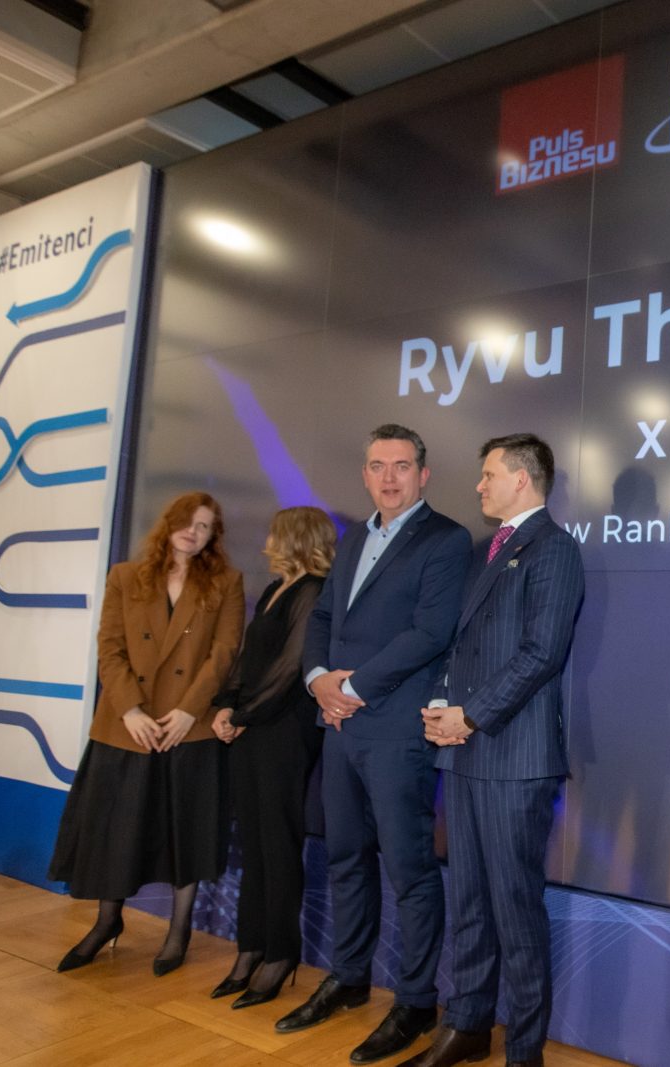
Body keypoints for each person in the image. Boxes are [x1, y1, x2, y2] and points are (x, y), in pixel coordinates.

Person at [275, 424, 470, 1066]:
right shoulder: (356, 536)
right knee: (345, 859)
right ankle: (350, 976)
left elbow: (430, 633)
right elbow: (323, 618)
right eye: (378, 466)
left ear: (424, 474)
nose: (389, 477)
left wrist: (350, 687)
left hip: (394, 731)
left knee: (409, 871)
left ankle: (414, 1002)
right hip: (339, 727)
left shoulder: (445, 539)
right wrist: (317, 680)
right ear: (364, 474)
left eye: (402, 466)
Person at [400, 433, 585, 1067]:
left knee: (514, 909)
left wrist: (471, 715)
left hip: (515, 757)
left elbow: (541, 654)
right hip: (465, 753)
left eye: (488, 475)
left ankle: (524, 1051)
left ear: (522, 479)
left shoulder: (554, 549)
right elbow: (460, 649)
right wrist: (441, 708)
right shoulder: (487, 551)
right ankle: (467, 1025)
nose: (478, 485)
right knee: (469, 902)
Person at [50, 491, 245, 976]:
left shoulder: (226, 582)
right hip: (127, 727)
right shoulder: (125, 577)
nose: (193, 532)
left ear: (213, 536)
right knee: (116, 831)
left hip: (188, 729)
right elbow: (110, 648)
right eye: (187, 521)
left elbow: (224, 654)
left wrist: (187, 712)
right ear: (169, 523)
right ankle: (106, 922)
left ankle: (178, 932)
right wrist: (131, 711)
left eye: (204, 526)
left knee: (186, 831)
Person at [209, 506, 338, 1009]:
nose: (267, 541)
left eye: (275, 533)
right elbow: (249, 660)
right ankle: (251, 948)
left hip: (285, 732)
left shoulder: (313, 591)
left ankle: (281, 954)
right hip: (252, 728)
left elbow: (291, 669)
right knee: (255, 844)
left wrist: (243, 714)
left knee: (279, 843)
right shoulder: (273, 589)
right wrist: (226, 705)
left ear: (295, 538)